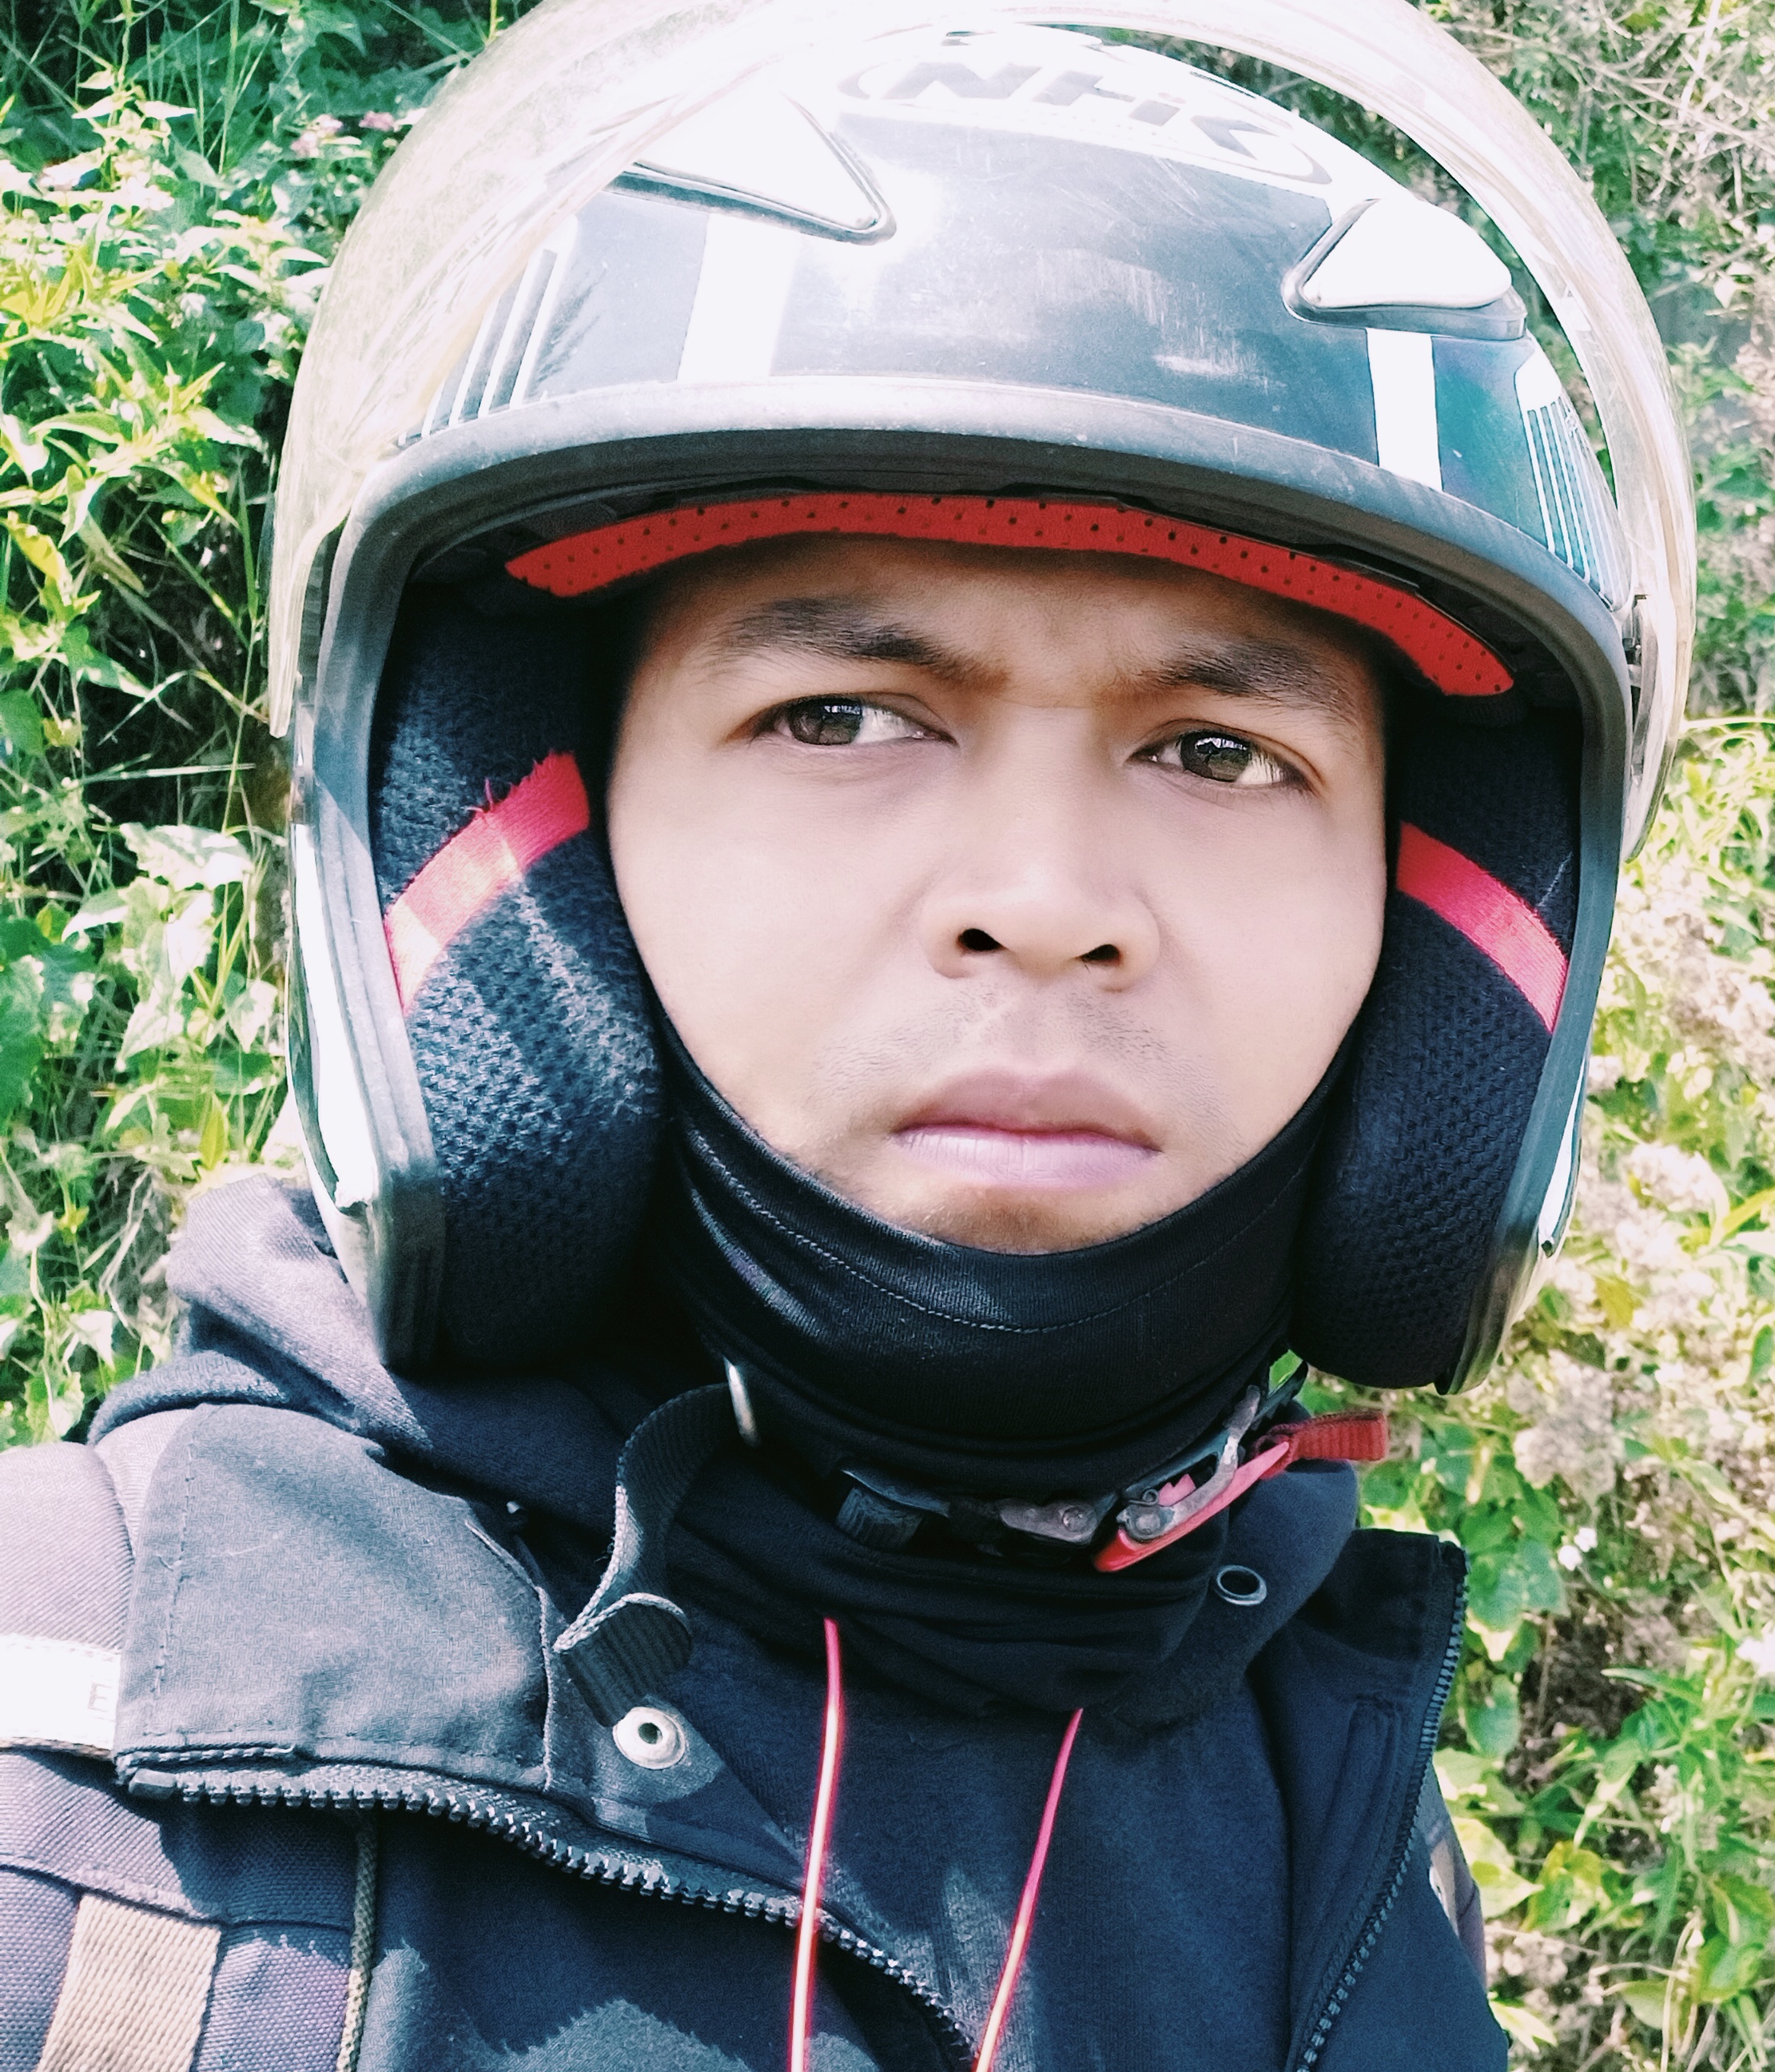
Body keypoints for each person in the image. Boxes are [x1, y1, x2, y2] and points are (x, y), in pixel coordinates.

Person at [0, 2, 1687, 2065]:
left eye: (1219, 752)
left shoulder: (1352, 1846)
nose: (1046, 899)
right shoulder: (65, 1784)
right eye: (844, 717)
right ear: (523, 822)